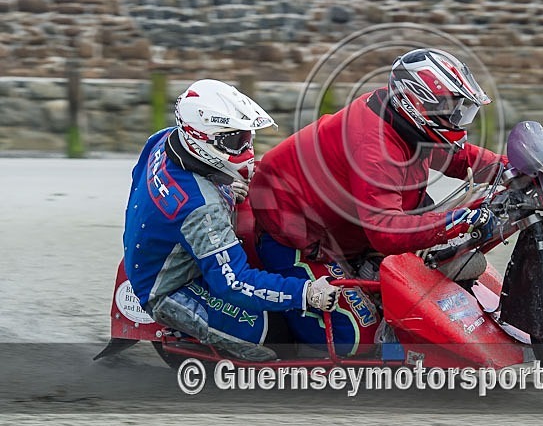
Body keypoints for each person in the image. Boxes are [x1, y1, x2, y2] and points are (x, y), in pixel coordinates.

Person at [248, 48, 507, 351]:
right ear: (417, 103)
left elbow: (458, 158)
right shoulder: (374, 147)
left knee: (448, 264)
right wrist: (457, 221)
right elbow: (385, 232)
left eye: (461, 108)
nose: (458, 118)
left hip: (347, 226)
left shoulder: (407, 121)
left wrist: (512, 168)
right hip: (295, 237)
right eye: (451, 108)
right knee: (357, 340)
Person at [122, 79, 341, 361]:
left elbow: (138, 177)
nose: (246, 150)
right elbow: (235, 283)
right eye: (235, 142)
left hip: (159, 248)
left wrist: (222, 189)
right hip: (171, 289)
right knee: (278, 339)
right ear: (201, 139)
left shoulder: (164, 138)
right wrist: (305, 293)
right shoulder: (202, 210)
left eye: (247, 138)